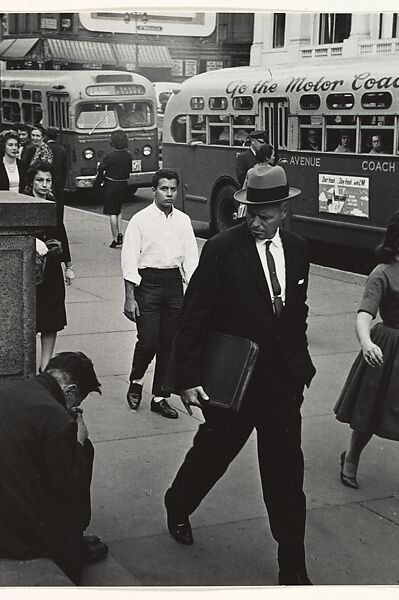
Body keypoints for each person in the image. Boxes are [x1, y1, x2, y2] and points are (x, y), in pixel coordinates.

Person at [164, 165, 316, 585]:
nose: (253, 220)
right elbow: (193, 317)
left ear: (285, 209)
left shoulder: (300, 249)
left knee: (285, 477)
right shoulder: (221, 248)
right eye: (248, 210)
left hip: (282, 385)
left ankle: (293, 568)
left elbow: (295, 314)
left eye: (264, 213)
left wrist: (300, 365)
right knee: (213, 454)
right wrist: (188, 377)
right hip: (233, 382)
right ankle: (177, 504)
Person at [0, 351, 107, 584]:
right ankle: (72, 542)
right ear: (70, 390)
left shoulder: (0, 389)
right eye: (77, 402)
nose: (74, 408)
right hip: (9, 534)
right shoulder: (56, 419)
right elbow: (67, 485)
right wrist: (79, 442)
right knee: (84, 453)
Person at [334, 205, 399, 493]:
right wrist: (366, 342)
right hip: (390, 349)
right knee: (368, 413)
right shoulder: (382, 273)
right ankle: (351, 458)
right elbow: (364, 314)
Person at [121, 168, 199, 419]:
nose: (168, 194)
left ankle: (160, 396)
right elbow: (129, 259)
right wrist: (130, 297)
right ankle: (137, 379)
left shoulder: (183, 221)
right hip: (148, 285)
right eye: (164, 189)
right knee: (148, 341)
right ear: (154, 190)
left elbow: (191, 259)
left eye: (172, 189)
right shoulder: (140, 220)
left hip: (174, 285)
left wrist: (193, 294)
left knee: (170, 344)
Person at [24, 161, 74, 371]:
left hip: (52, 267)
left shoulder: (54, 202)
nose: (44, 185)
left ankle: (44, 368)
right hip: (30, 267)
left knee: (51, 319)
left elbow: (61, 232)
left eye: (48, 181)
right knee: (31, 318)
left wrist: (68, 266)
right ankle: (27, 366)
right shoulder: (24, 203)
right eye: (40, 180)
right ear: (32, 181)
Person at [97, 130, 132, 248]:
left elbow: (101, 168)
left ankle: (115, 237)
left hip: (111, 185)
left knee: (112, 212)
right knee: (119, 210)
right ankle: (121, 233)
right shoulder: (128, 155)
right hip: (123, 185)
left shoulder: (110, 156)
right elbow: (129, 170)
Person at [45, 127, 69, 214]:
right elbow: (65, 168)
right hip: (59, 179)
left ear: (46, 137)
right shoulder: (62, 149)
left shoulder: (45, 148)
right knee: (59, 203)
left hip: (48, 179)